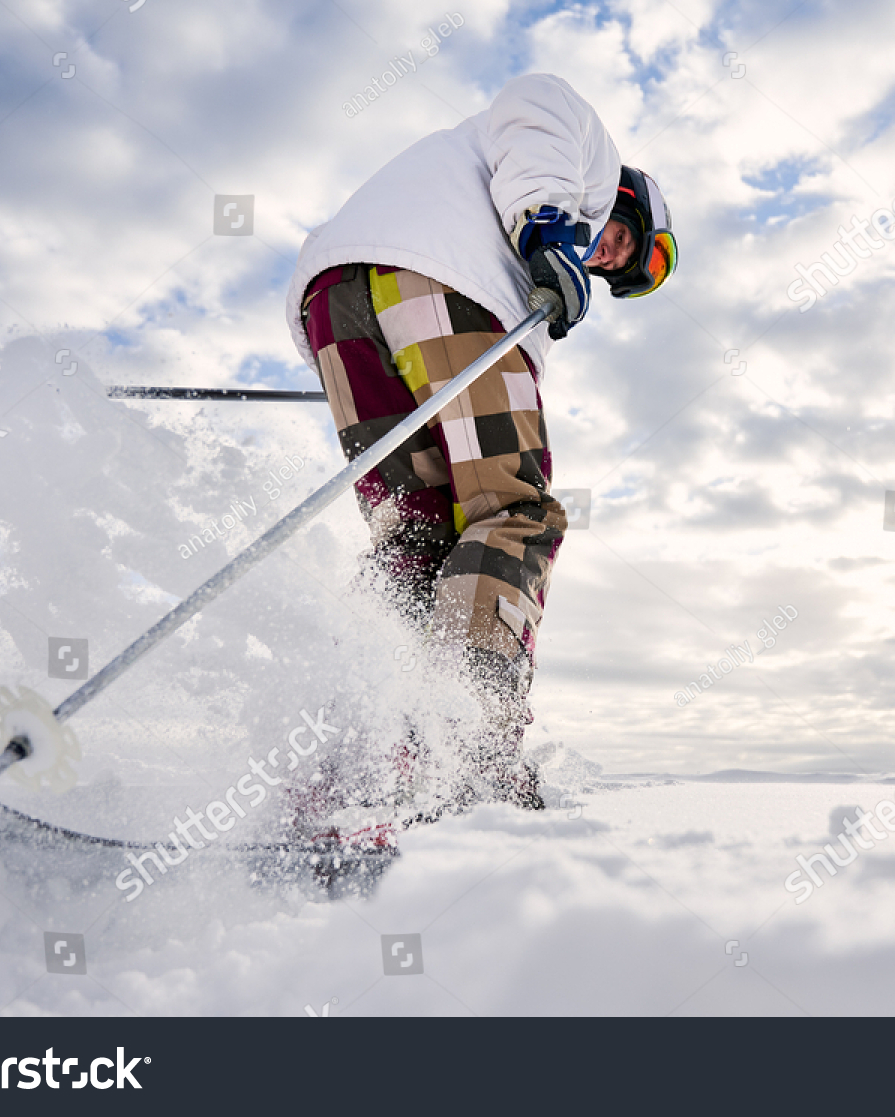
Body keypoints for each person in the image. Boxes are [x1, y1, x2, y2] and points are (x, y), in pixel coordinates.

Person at [284, 72, 676, 829]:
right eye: (620, 240)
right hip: (445, 283)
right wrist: (547, 229)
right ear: (623, 197)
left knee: (417, 540)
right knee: (515, 511)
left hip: (336, 303)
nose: (602, 256)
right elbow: (533, 104)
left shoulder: (469, 198)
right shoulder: (575, 159)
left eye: (611, 265)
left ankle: (351, 770)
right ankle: (469, 759)